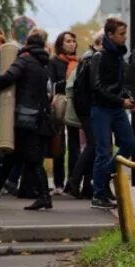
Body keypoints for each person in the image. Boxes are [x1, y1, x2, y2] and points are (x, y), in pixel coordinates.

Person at [0, 28, 55, 210]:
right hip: (39, 116)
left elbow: (9, 76)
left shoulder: (25, 59)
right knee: (11, 157)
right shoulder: (42, 63)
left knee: (31, 159)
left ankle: (44, 197)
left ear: (27, 43)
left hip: (25, 116)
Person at [90, 18, 135, 210]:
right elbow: (96, 87)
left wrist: (128, 99)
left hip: (116, 107)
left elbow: (120, 84)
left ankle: (103, 176)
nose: (125, 37)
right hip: (101, 108)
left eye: (125, 33)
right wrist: (121, 101)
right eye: (121, 34)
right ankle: (98, 194)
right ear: (110, 35)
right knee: (103, 150)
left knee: (129, 143)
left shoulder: (118, 57)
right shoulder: (99, 57)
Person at [67, 31, 103, 199]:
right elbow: (93, 86)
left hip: (85, 107)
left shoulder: (87, 57)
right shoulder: (93, 58)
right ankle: (75, 180)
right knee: (93, 144)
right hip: (88, 107)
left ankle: (85, 184)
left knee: (93, 145)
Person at [48, 31, 80, 195]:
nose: (72, 44)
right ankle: (58, 183)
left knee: (74, 144)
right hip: (59, 105)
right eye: (68, 41)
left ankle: (73, 182)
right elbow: (52, 84)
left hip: (74, 105)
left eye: (73, 41)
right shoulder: (54, 62)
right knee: (58, 143)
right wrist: (65, 84)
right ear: (61, 44)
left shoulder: (78, 62)